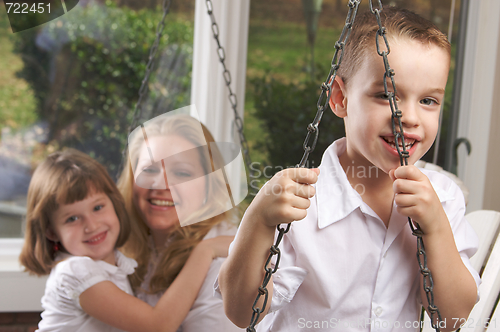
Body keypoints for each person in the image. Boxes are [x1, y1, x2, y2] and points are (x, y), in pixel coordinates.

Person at [217, 7, 480, 332]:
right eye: (386, 95)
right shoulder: (301, 205)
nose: (409, 117)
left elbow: (452, 318)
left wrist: (436, 228)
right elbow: (243, 313)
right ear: (340, 98)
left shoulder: (444, 199)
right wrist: (258, 221)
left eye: (428, 101)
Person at [19, 148, 232, 332]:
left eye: (97, 207)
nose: (91, 225)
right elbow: (158, 326)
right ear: (51, 232)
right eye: (72, 218)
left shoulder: (118, 264)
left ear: (114, 203)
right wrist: (204, 251)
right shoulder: (75, 271)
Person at [117, 113, 243, 331]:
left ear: (209, 184)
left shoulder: (223, 264)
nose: (161, 183)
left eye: (182, 172)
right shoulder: (125, 246)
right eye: (149, 169)